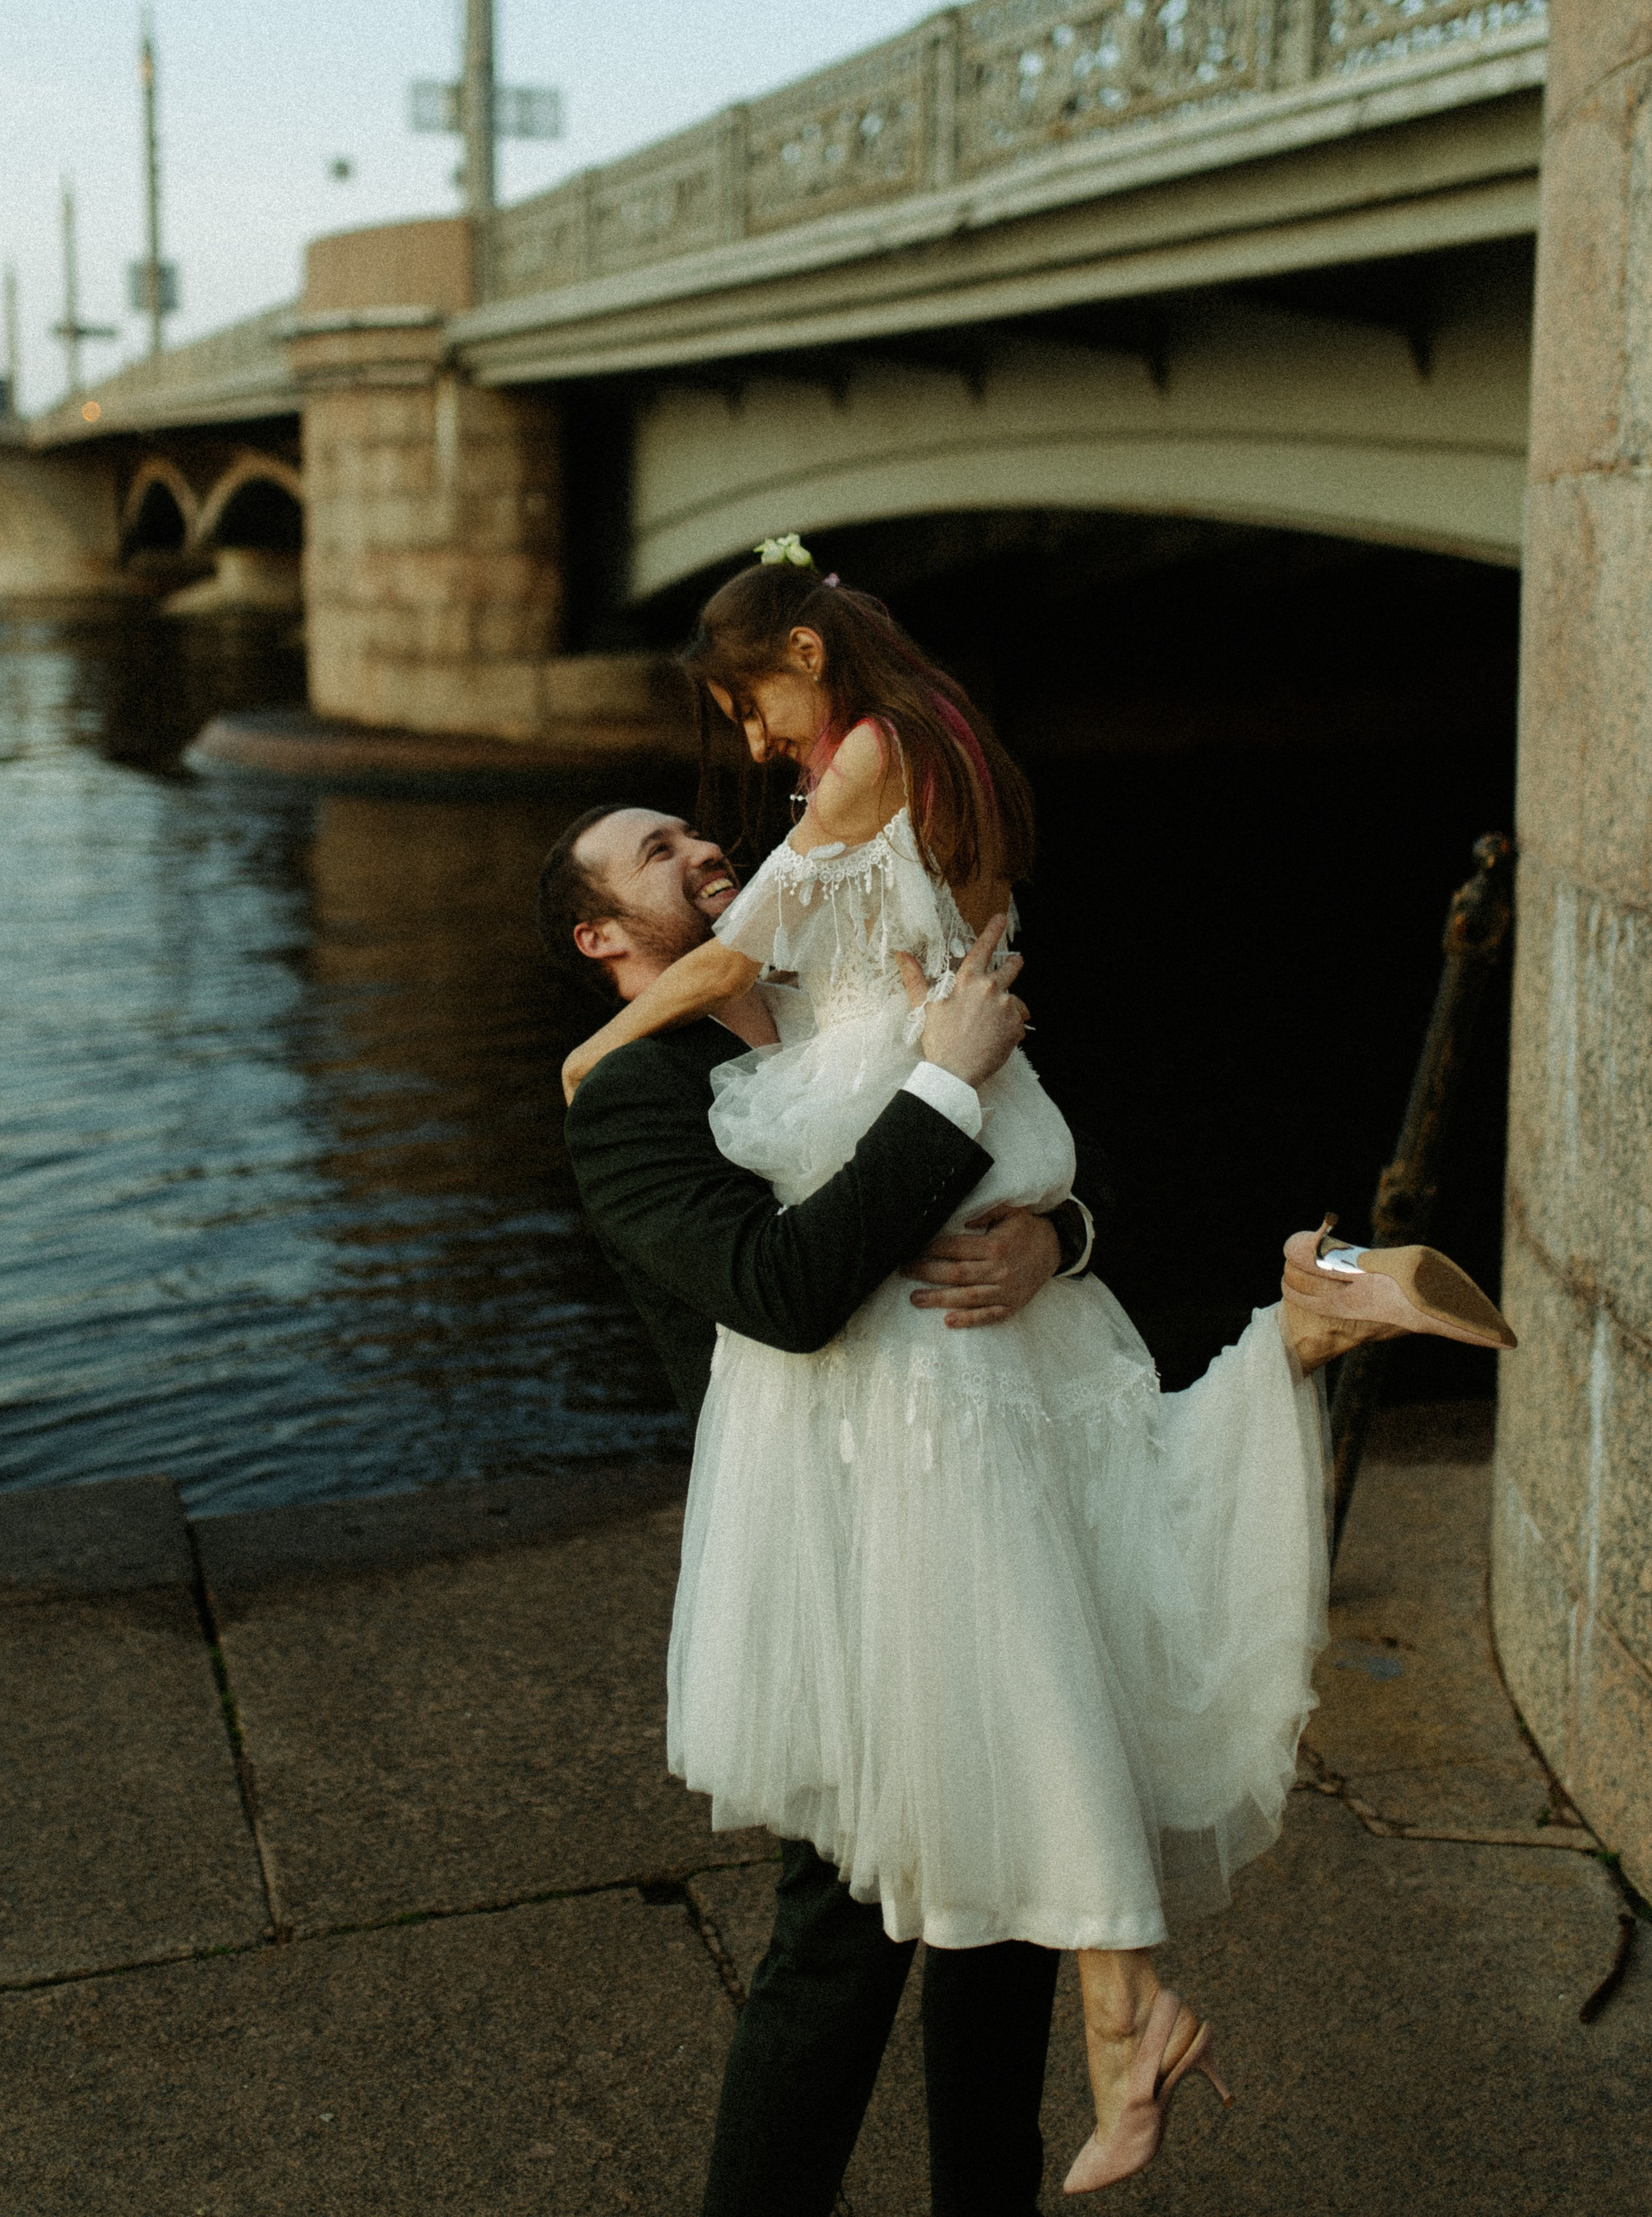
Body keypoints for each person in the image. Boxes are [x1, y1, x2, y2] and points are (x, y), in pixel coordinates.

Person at [545, 541, 1513, 2211]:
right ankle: (1296, 1324)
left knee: (994, 1889)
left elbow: (1065, 1156)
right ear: (594, 936)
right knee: (845, 1928)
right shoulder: (629, 1101)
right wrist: (932, 1100)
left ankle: (1035, 2134)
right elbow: (781, 1290)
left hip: (958, 1429)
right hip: (840, 1512)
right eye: (658, 847)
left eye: (702, 818)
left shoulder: (832, 937)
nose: (710, 832)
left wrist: (1051, 1234)